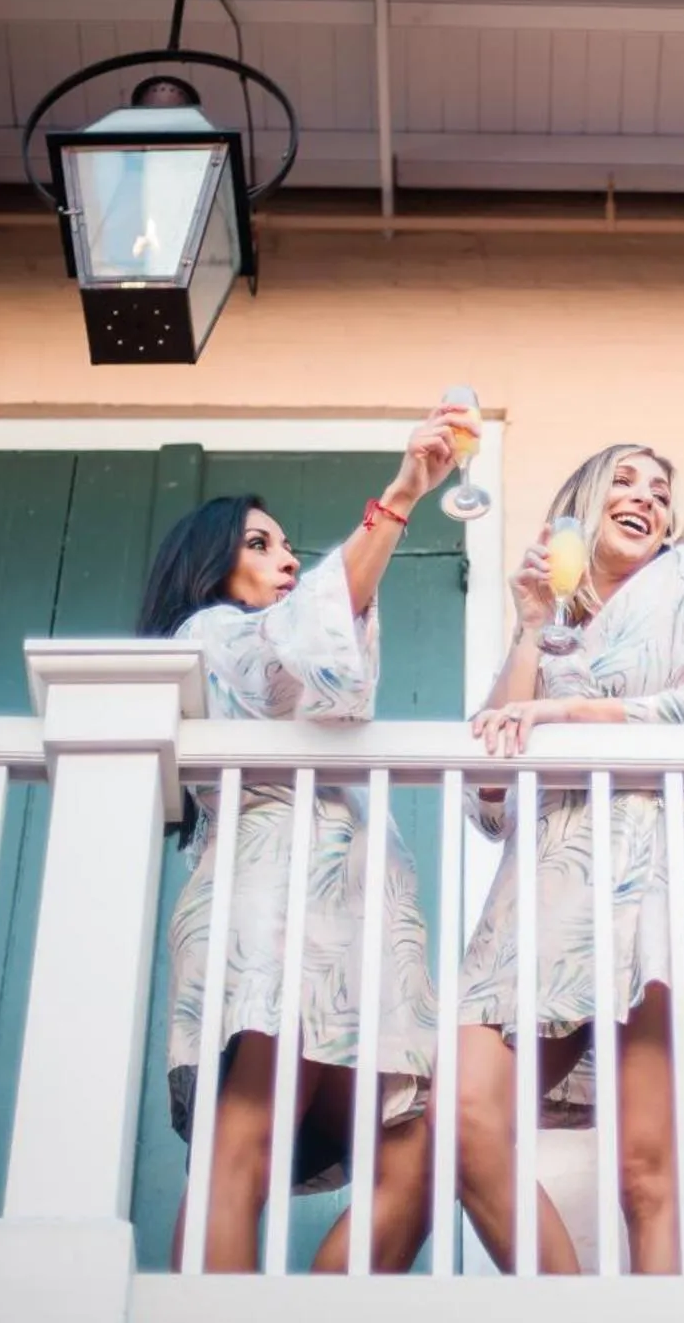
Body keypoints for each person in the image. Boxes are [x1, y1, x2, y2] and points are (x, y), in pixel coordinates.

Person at [136, 401, 473, 1274]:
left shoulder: (270, 632)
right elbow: (309, 637)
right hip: (270, 891)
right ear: (209, 564)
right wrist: (401, 494)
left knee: (423, 1152)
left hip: (355, 914)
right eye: (260, 543)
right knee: (244, 1139)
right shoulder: (210, 635)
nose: (286, 558)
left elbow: (328, 661)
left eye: (287, 544)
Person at [449, 444, 684, 1273]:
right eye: (623, 481)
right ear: (581, 505)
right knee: (462, 1115)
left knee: (643, 1169)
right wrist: (529, 628)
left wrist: (571, 711)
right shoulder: (553, 624)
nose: (645, 498)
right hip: (543, 891)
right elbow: (491, 796)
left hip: (658, 879)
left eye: (660, 491)